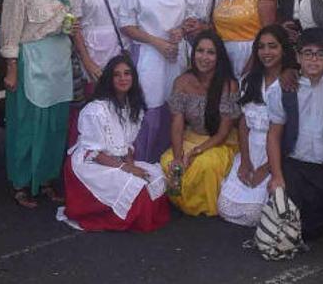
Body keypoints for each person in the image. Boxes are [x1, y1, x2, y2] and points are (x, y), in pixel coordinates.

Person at [1, 0, 81, 208]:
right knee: (28, 122)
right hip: (32, 59)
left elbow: (76, 17)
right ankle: (22, 183)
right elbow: (10, 31)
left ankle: (46, 179)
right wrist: (11, 68)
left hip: (59, 60)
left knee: (55, 123)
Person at [58, 54, 170, 232]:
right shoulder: (95, 110)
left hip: (116, 160)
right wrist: (127, 169)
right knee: (137, 188)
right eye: (117, 75)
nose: (123, 78)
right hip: (90, 164)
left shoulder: (134, 107)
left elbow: (127, 146)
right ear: (109, 79)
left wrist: (132, 166)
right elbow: (94, 153)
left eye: (127, 73)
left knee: (155, 177)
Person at [266, 27, 323, 240]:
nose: (314, 60)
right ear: (298, 57)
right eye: (308, 53)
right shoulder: (284, 88)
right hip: (295, 166)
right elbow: (273, 134)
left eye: (320, 54)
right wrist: (277, 175)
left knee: (319, 226)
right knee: (291, 225)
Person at [120, 0, 186, 162]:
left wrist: (181, 30)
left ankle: (172, 168)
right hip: (149, 57)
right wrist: (156, 41)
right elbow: (126, 25)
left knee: (176, 110)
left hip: (178, 56)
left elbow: (192, 17)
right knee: (149, 113)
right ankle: (144, 165)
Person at [218, 25, 295, 226]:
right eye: (261, 47)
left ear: (283, 49)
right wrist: (245, 160)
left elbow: (289, 133)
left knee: (254, 214)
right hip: (251, 148)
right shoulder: (249, 80)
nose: (266, 52)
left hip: (279, 151)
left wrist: (266, 168)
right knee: (225, 207)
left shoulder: (291, 82)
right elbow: (244, 124)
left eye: (272, 46)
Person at [160, 32, 240, 216]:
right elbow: (177, 124)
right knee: (169, 162)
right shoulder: (182, 82)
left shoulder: (229, 85)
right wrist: (179, 156)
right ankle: (180, 202)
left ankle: (203, 208)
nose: (204, 57)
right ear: (193, 54)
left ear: (218, 57)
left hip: (218, 140)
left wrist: (197, 151)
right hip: (191, 135)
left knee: (205, 164)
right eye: (200, 51)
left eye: (211, 53)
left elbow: (223, 133)